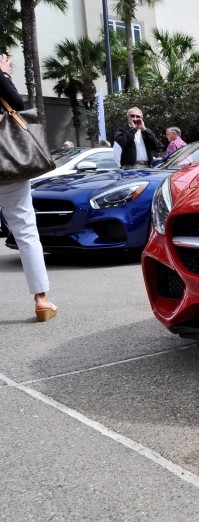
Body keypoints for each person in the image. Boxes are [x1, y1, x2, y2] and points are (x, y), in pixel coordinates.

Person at [0, 53, 58, 321]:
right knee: (24, 229)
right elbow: (16, 103)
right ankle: (41, 299)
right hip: (7, 164)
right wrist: (3, 74)